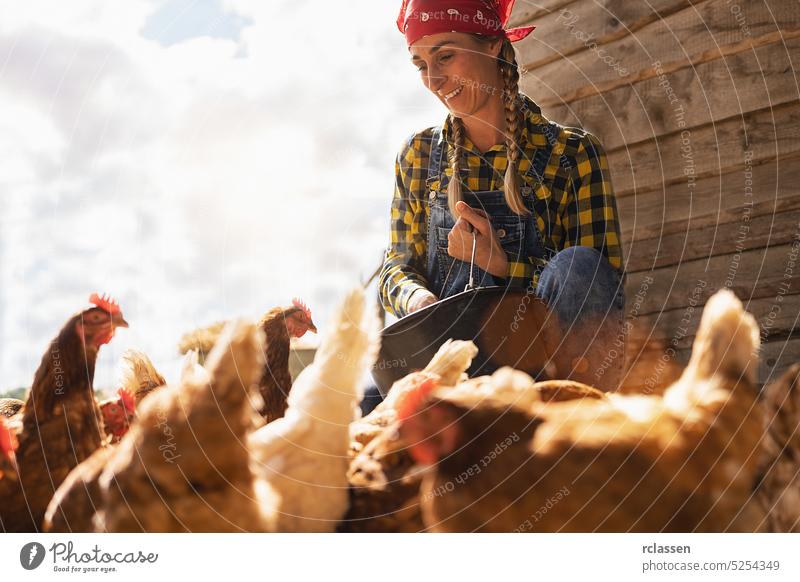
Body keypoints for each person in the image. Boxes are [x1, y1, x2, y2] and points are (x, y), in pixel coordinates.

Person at [377, 0, 626, 393]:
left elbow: (592, 287)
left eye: (445, 55)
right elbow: (397, 266)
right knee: (355, 410)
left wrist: (506, 269)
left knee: (580, 264)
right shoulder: (419, 155)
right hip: (454, 365)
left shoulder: (572, 153)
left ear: (492, 44)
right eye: (421, 65)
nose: (433, 79)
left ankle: (578, 419)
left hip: (544, 365)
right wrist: (421, 302)